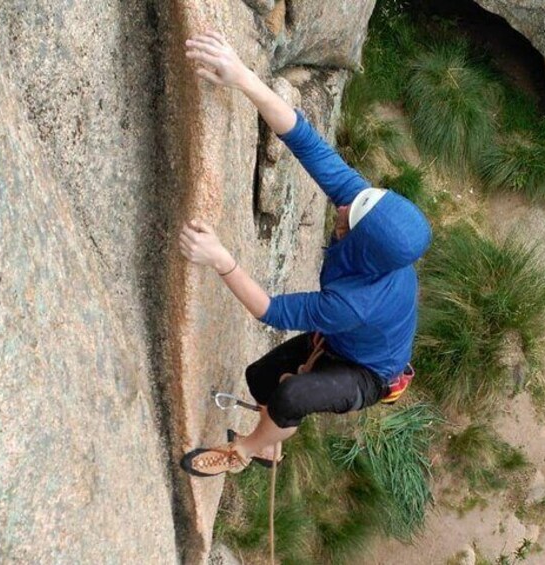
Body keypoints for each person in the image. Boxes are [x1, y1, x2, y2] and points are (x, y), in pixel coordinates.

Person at [179, 30, 432, 477]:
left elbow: (271, 311)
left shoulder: (355, 300)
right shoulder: (364, 217)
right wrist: (241, 76)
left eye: (348, 219)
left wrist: (220, 258)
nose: (342, 206)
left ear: (364, 245)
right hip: (346, 337)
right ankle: (271, 441)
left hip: (367, 372)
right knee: (260, 378)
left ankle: (247, 453)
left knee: (291, 397)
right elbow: (305, 141)